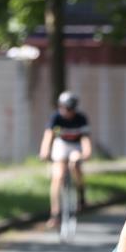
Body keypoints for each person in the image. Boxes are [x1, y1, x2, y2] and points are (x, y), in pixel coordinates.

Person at [39, 91, 92, 227]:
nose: (65, 111)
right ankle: (55, 213)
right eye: (63, 107)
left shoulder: (81, 119)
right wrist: (45, 151)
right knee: (58, 176)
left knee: (75, 163)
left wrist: (86, 152)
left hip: (75, 146)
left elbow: (85, 139)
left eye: (68, 109)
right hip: (61, 144)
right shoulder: (56, 118)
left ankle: (81, 195)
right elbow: (49, 135)